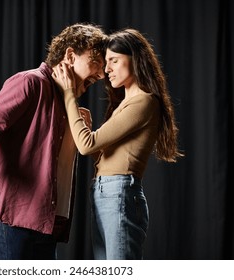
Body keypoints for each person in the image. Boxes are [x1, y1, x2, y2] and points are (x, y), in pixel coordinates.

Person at [0, 23, 107, 260]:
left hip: (46, 225)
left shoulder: (70, 107)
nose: (101, 74)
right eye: (96, 62)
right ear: (70, 55)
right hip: (11, 221)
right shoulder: (31, 82)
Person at [52, 28, 183, 259]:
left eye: (113, 60)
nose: (106, 69)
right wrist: (86, 129)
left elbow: (86, 145)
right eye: (106, 62)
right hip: (107, 192)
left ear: (135, 59)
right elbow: (102, 155)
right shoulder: (127, 102)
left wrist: (69, 94)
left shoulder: (143, 101)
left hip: (119, 192)